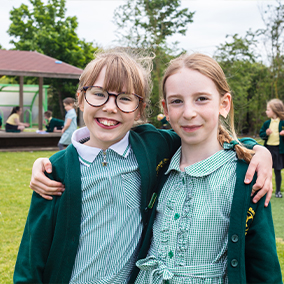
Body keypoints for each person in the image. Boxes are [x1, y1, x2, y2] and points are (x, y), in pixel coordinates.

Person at [23, 50, 272, 284]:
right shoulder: (56, 171)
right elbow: (31, 257)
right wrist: (44, 163)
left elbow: (213, 141)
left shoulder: (153, 149)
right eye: (99, 94)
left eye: (124, 99)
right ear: (80, 98)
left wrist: (259, 151)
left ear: (140, 110)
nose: (110, 107)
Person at [134, 53, 282, 284]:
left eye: (201, 98)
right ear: (165, 108)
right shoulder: (158, 162)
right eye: (176, 101)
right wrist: (57, 164)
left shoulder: (246, 176)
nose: (188, 112)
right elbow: (111, 137)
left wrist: (259, 151)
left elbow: (263, 265)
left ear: (224, 104)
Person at [260, 98, 284, 198]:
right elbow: (261, 134)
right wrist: (266, 133)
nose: (266, 111)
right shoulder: (266, 124)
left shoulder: (282, 123)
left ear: (274, 110)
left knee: (277, 171)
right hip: (268, 150)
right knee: (266, 171)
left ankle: (278, 191)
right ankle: (265, 190)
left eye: (268, 110)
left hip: (279, 150)